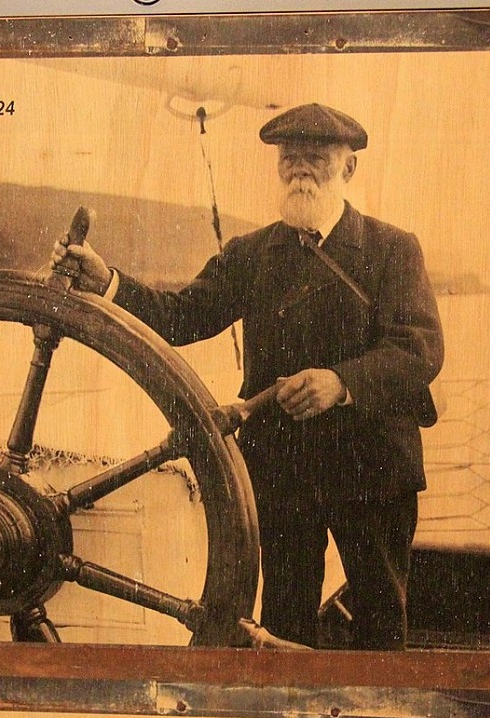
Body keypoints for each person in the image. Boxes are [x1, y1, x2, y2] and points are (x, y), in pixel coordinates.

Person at [53, 103, 444, 650]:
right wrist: (109, 282)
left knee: (381, 620)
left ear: (348, 170)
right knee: (282, 622)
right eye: (291, 159)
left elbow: (418, 350)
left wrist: (340, 381)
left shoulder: (392, 249)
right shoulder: (252, 254)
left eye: (317, 159)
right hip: (281, 472)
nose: (301, 171)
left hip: (371, 469)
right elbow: (180, 317)